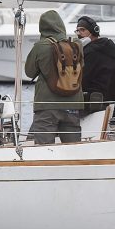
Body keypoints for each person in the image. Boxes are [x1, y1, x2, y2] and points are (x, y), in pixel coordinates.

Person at [25, 9, 84, 144]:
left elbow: (29, 72)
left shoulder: (41, 46)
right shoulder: (76, 45)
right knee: (73, 148)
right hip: (73, 102)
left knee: (44, 149)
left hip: (47, 105)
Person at [75, 15, 115, 113]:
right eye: (77, 31)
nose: (79, 34)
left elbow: (83, 77)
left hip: (91, 99)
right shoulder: (108, 48)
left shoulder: (90, 52)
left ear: (93, 31)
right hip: (107, 99)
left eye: (82, 30)